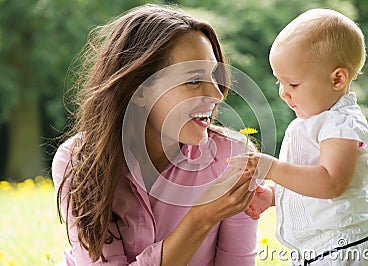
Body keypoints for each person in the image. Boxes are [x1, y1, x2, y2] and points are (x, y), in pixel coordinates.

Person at [52, 4, 259, 265]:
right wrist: (202, 218)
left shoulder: (234, 159)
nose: (217, 95)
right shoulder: (79, 161)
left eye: (214, 76)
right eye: (194, 80)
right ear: (140, 91)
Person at [231, 8, 368, 265]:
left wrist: (271, 167)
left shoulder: (340, 124)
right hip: (322, 250)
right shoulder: (315, 122)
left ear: (337, 79)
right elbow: (311, 180)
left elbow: (330, 183)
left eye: (293, 84)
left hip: (345, 250)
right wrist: (275, 195)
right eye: (279, 83)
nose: (284, 93)